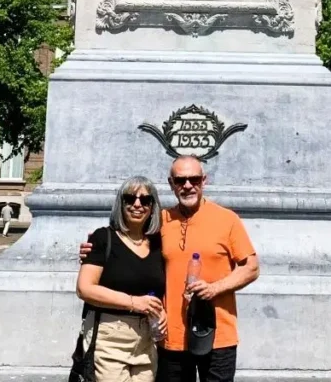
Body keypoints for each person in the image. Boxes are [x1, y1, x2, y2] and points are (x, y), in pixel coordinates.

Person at [81, 156, 259, 382]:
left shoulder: (227, 219)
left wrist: (214, 288)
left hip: (218, 334)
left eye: (194, 179)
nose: (188, 185)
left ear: (204, 180)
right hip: (171, 337)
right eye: (180, 180)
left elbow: (251, 267)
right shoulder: (160, 222)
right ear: (171, 183)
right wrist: (94, 248)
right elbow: (129, 245)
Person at [76, 177, 166, 382]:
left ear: (153, 206)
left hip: (147, 340)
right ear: (120, 203)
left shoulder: (158, 244)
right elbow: (85, 289)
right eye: (130, 198)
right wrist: (133, 302)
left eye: (145, 200)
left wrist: (162, 311)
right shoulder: (103, 238)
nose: (137, 204)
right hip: (109, 337)